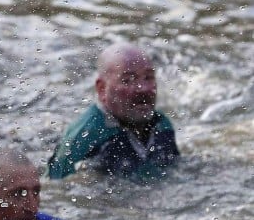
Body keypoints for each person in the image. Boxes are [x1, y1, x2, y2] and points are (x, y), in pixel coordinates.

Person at [47, 43, 179, 181]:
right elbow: (55, 189)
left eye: (148, 77)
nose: (143, 88)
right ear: (102, 89)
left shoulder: (162, 126)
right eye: (128, 80)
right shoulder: (85, 140)